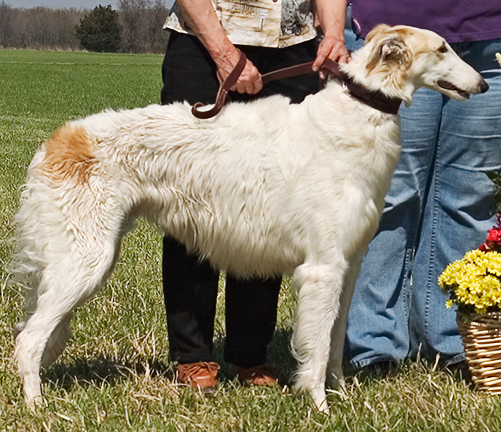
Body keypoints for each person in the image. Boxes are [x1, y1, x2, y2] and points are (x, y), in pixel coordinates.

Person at [160, 0, 350, 390]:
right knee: (194, 204)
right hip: (203, 44)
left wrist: (332, 33)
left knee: (272, 206)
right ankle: (193, 355)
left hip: (292, 47)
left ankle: (249, 355)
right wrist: (223, 52)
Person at [343, 1, 501, 370]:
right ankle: (373, 345)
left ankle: (452, 339)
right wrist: (334, 29)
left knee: (470, 198)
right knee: (391, 201)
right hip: (397, 46)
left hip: (490, 40)